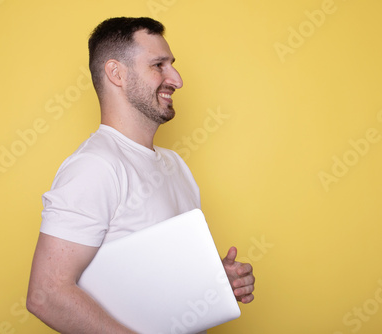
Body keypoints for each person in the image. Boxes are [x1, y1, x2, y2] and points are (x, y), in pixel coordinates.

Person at [26, 17, 255, 334]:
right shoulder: (95, 167)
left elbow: (154, 278)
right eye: (159, 65)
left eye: (171, 64)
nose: (176, 79)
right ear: (116, 73)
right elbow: (47, 295)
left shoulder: (175, 165)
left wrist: (215, 280)